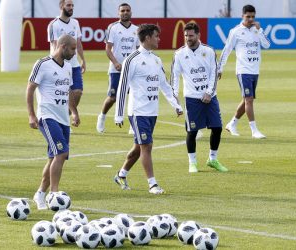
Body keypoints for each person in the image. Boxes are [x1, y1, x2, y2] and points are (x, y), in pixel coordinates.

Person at [113, 24, 183, 194]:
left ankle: (121, 174)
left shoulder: (156, 59)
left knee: (139, 148)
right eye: (156, 36)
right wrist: (119, 115)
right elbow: (123, 87)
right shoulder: (131, 60)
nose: (159, 39)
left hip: (152, 112)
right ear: (146, 38)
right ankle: (152, 184)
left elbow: (164, 85)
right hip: (138, 112)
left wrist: (176, 105)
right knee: (147, 146)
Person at [27, 35, 80, 210]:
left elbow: (69, 92)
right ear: (63, 46)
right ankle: (54, 194)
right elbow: (30, 89)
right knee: (61, 152)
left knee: (55, 158)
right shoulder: (43, 64)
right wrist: (32, 115)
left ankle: (41, 193)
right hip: (47, 116)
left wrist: (74, 112)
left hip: (63, 118)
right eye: (73, 49)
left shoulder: (68, 67)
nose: (75, 53)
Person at [170, 22, 228, 173]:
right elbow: (174, 77)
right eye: (186, 36)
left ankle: (212, 159)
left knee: (217, 128)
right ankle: (192, 162)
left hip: (210, 97)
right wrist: (174, 96)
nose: (188, 38)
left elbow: (214, 73)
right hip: (192, 98)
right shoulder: (179, 54)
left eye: (191, 35)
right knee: (192, 131)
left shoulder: (208, 51)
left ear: (198, 35)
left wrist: (209, 92)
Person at [218, 4, 270, 139]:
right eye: (248, 17)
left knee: (247, 100)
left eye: (253, 17)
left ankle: (232, 124)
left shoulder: (256, 30)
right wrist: (220, 68)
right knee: (249, 99)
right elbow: (227, 50)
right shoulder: (235, 31)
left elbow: (267, 45)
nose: (251, 19)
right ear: (242, 16)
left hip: (255, 70)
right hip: (243, 70)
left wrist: (260, 31)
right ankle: (254, 131)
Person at [96, 3, 140, 133]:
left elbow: (138, 49)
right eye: (122, 11)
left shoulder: (136, 29)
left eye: (127, 10)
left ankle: (133, 124)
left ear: (131, 12)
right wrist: (115, 63)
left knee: (133, 96)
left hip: (131, 69)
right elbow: (108, 49)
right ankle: (102, 116)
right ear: (118, 13)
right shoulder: (113, 27)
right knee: (113, 97)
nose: (125, 12)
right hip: (116, 69)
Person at [47, 0, 85, 123]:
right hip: (61, 65)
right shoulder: (54, 24)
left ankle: (64, 118)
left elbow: (78, 43)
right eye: (68, 5)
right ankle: (62, 119)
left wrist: (83, 59)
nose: (71, 7)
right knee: (63, 94)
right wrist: (57, 65)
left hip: (74, 65)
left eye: (72, 5)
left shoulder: (75, 22)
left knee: (78, 92)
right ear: (61, 6)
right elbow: (54, 46)